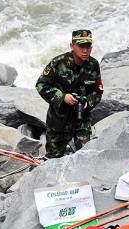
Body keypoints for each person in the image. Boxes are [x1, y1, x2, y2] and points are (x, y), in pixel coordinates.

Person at [36, 29, 103, 158]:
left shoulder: (93, 65)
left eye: (88, 46)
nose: (85, 50)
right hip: (59, 121)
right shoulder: (57, 63)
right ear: (72, 46)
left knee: (85, 157)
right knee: (53, 160)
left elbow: (98, 90)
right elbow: (41, 85)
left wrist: (88, 102)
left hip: (82, 120)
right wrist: (62, 97)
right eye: (81, 46)